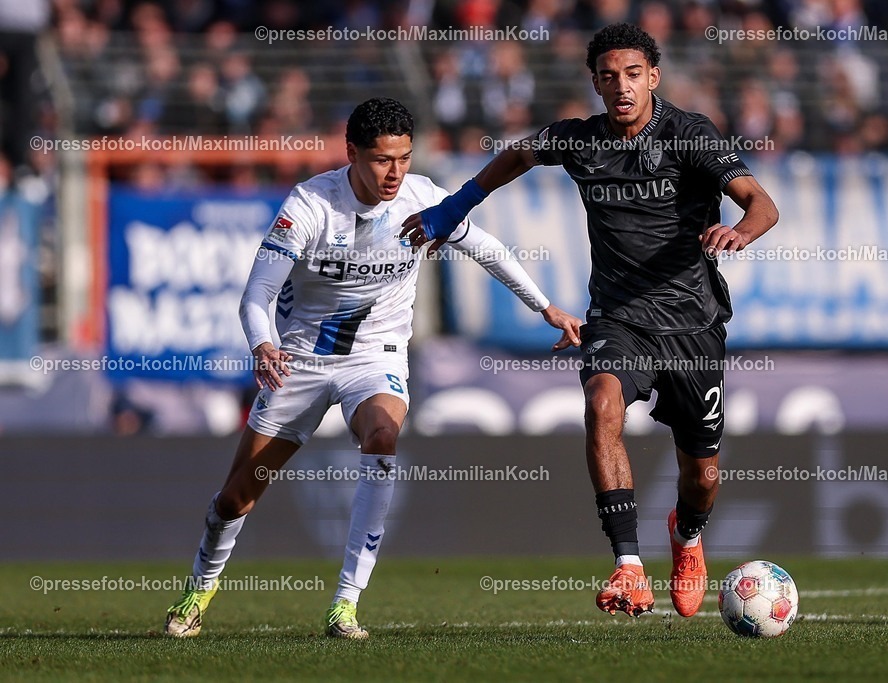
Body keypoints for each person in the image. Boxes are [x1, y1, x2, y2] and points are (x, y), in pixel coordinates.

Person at [164, 97, 581, 639]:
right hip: (300, 359)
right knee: (236, 497)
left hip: (376, 356)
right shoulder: (311, 205)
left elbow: (487, 249)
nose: (395, 172)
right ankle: (198, 590)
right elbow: (256, 293)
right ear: (352, 153)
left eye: (404, 158)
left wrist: (545, 307)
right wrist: (262, 345)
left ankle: (346, 604)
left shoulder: (422, 198)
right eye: (383, 159)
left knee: (382, 436)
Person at [402, 24, 779, 618]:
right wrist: (455, 206)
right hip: (617, 316)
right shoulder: (582, 140)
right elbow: (520, 153)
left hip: (692, 325)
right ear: (596, 83)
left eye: (633, 74)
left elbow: (762, 202)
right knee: (602, 407)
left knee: (702, 475)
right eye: (609, 76)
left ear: (653, 76)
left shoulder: (690, 135)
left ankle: (687, 536)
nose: (622, 86)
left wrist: (739, 230)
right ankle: (628, 566)